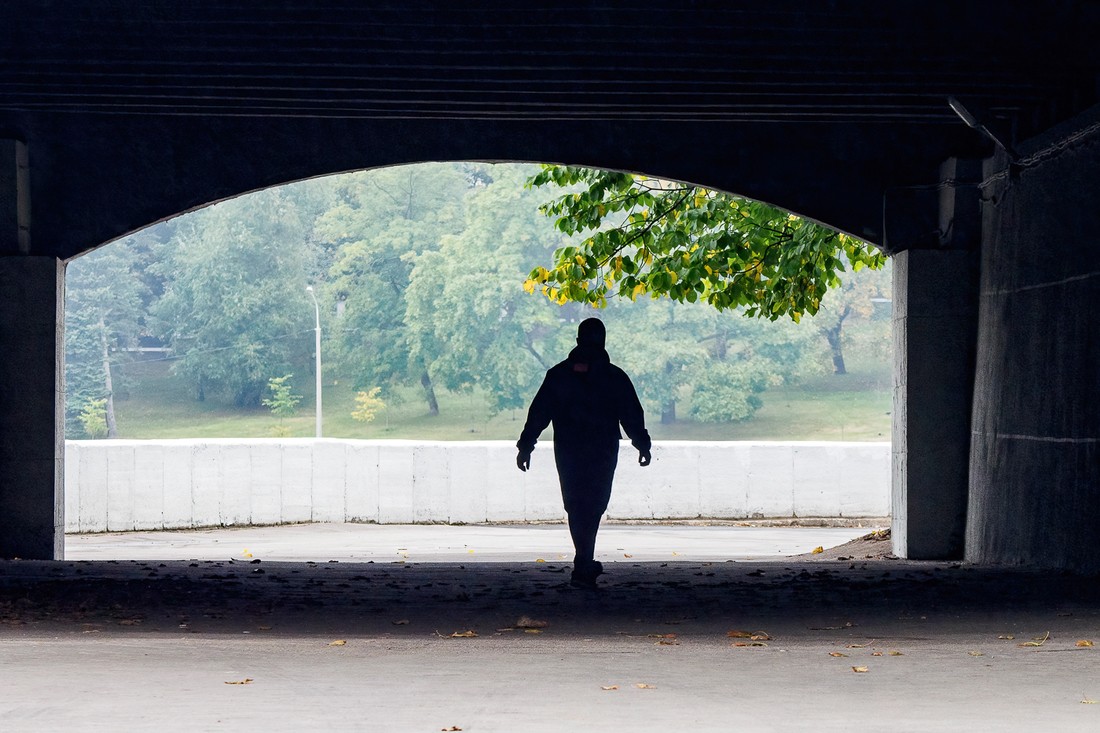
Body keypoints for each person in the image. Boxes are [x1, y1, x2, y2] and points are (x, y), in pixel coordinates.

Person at [516, 318, 651, 588]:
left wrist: (526, 445)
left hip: (568, 450)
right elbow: (631, 414)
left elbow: (539, 413)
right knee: (594, 504)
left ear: (577, 341)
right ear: (603, 341)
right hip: (602, 451)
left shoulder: (559, 375)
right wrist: (642, 442)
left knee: (576, 505)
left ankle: (584, 561)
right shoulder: (614, 377)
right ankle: (584, 562)